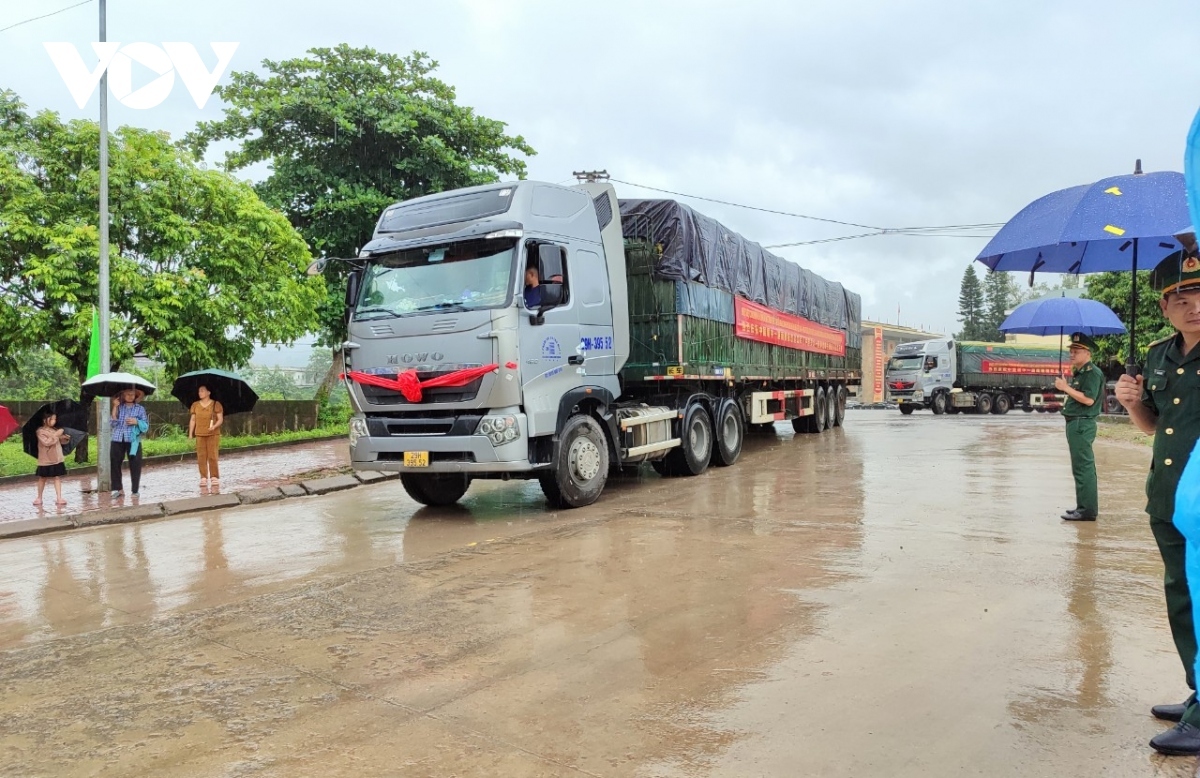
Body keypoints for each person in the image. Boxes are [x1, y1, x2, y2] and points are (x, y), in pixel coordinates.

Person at [1114, 250, 1200, 755]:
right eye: (1183, 298)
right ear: (1166, 307)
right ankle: (1198, 688)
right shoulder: (1158, 355)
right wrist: (1132, 404)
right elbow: (1154, 427)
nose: (1195, 307)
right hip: (1167, 498)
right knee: (1183, 598)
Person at [1054, 332, 1104, 521]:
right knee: (1080, 467)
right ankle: (1083, 506)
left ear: (1088, 353)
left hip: (1081, 423)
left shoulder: (1092, 373)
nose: (1072, 354)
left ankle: (1087, 510)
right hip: (1076, 423)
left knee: (1083, 467)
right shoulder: (1081, 373)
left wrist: (1066, 389)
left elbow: (1089, 400)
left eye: (1077, 350)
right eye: (1071, 350)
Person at [110, 387, 149, 499]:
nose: (130, 396)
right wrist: (114, 407)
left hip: (133, 440)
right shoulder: (119, 407)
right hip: (117, 438)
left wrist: (137, 422)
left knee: (135, 465)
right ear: (122, 395)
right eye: (127, 394)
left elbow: (145, 426)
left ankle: (135, 490)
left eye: (132, 394)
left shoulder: (140, 409)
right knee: (115, 463)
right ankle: (117, 489)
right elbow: (113, 423)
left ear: (136, 396)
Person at [188, 385, 224, 488]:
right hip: (199, 434)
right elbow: (193, 420)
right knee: (201, 456)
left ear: (209, 392)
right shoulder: (195, 405)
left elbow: (220, 419)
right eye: (199, 391)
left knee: (213, 455)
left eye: (202, 391)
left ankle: (214, 477)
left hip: (213, 434)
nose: (200, 393)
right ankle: (203, 477)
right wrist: (191, 433)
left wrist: (215, 426)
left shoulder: (216, 404)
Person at [33, 411, 70, 507]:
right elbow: (46, 443)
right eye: (52, 419)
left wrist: (64, 437)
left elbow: (60, 441)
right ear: (45, 420)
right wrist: (56, 435)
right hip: (46, 459)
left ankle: (59, 497)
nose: (54, 421)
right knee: (42, 478)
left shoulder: (54, 430)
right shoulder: (40, 431)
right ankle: (39, 497)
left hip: (57, 458)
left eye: (55, 419)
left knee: (57, 477)